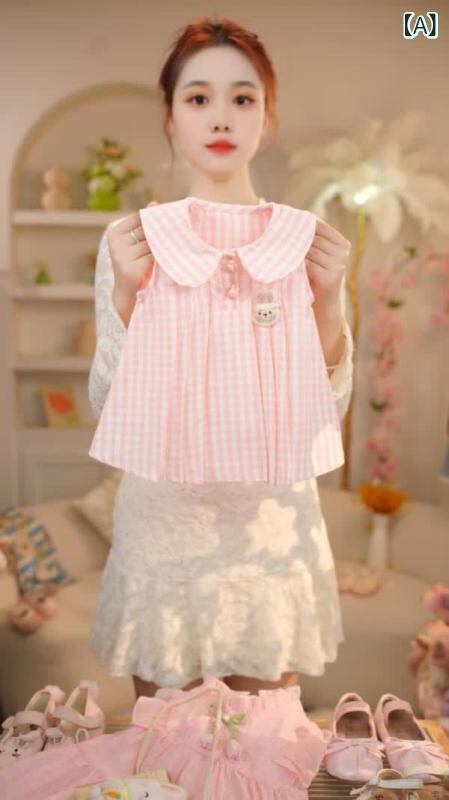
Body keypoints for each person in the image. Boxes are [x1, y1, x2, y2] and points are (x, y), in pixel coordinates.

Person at [87, 15, 354, 702]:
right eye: (198, 97)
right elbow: (108, 406)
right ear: (170, 117)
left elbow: (325, 411)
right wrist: (126, 293)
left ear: (267, 116)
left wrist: (327, 304)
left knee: (268, 737)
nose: (220, 116)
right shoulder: (131, 242)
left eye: (242, 97)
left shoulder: (306, 245)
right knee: (164, 741)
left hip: (271, 524)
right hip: (165, 522)